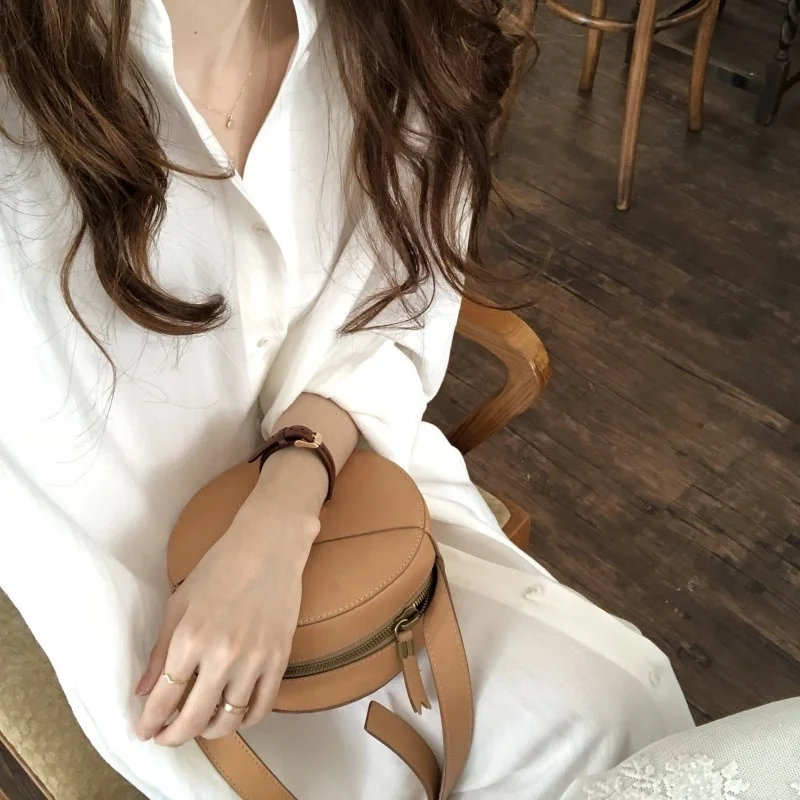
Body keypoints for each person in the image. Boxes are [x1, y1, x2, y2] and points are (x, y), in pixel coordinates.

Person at [0, 1, 694, 797]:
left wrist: (280, 511)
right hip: (136, 625)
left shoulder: (404, 38)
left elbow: (392, 321)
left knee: (620, 708)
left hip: (349, 497)